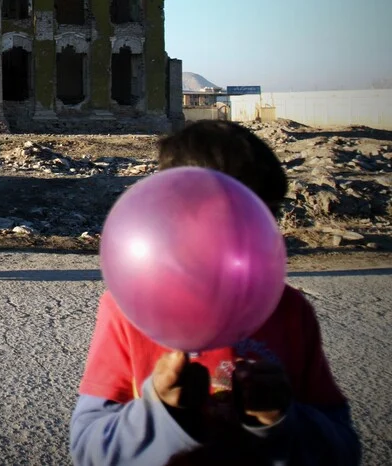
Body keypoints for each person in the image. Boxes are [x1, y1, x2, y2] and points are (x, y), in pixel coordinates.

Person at [69, 120, 360, 465]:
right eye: (232, 215)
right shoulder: (128, 309)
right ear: (171, 214)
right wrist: (160, 410)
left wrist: (279, 418)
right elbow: (88, 449)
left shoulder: (289, 310)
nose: (255, 234)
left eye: (269, 215)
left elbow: (342, 449)